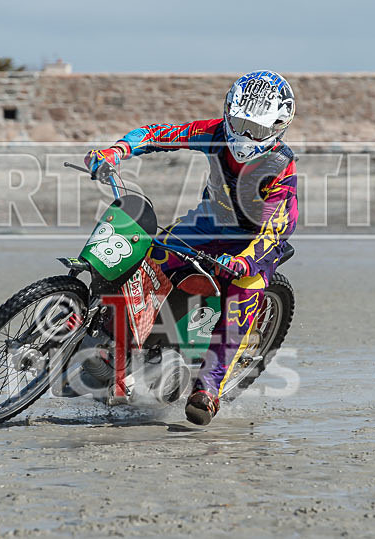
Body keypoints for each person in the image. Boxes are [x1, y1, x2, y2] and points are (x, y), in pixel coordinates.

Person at [84, 70, 298, 425]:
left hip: (254, 243)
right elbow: (157, 134)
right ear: (228, 113)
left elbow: (278, 228)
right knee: (146, 259)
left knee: (241, 297)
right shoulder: (212, 132)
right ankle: (118, 348)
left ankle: (208, 389)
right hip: (208, 222)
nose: (245, 136)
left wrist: (244, 263)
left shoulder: (281, 166)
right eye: (240, 123)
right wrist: (118, 150)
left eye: (257, 131)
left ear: (278, 128)